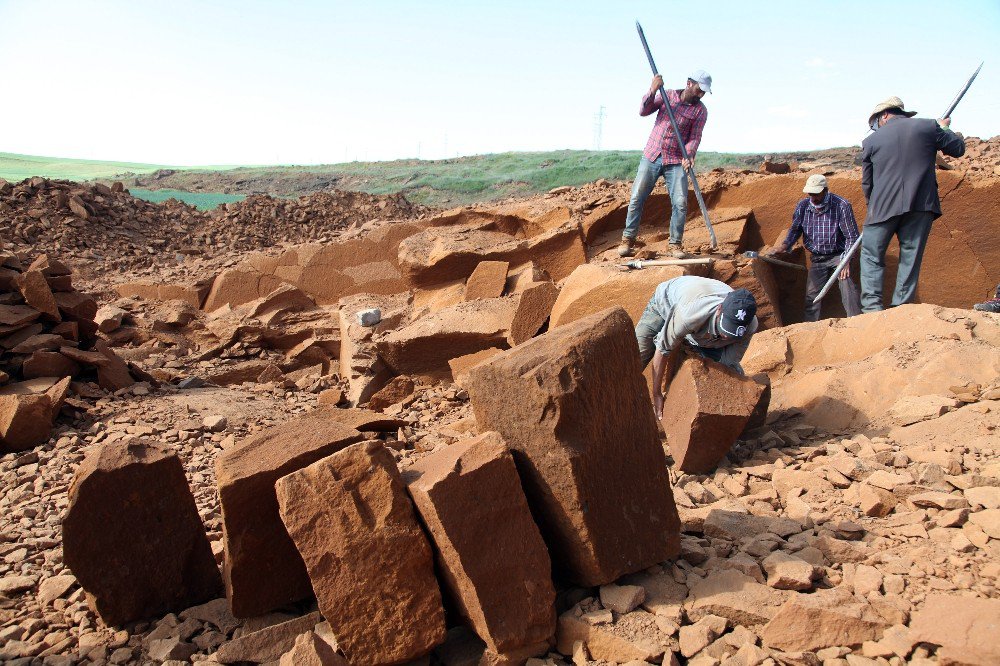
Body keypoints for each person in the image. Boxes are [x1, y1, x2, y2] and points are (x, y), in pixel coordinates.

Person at [859, 96, 966, 311]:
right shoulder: (928, 126)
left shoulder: (871, 141)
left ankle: (871, 310)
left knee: (871, 256)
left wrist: (873, 207)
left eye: (875, 122)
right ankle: (901, 307)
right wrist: (944, 129)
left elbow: (867, 182)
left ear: (885, 115)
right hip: (921, 205)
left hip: (881, 208)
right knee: (910, 257)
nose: (875, 127)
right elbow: (958, 148)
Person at [635, 276, 758, 419]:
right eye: (726, 328)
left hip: (701, 331)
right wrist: (656, 394)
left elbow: (728, 362)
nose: (726, 336)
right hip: (666, 302)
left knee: (732, 373)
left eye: (732, 333)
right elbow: (662, 350)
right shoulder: (690, 315)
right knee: (635, 360)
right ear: (719, 310)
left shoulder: (751, 325)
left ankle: (687, 344)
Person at [618, 71, 711, 259]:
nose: (700, 95)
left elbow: (695, 137)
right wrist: (652, 90)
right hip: (652, 154)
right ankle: (628, 240)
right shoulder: (667, 95)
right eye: (699, 90)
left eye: (704, 92)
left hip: (676, 160)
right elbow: (644, 111)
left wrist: (690, 154)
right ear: (688, 83)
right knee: (637, 197)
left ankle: (675, 244)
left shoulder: (700, 111)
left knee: (680, 202)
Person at [767, 174, 862, 321]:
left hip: (839, 255)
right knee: (812, 295)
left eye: (816, 194)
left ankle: (856, 322)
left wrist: (846, 261)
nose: (813, 198)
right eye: (810, 194)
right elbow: (795, 229)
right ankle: (810, 328)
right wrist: (785, 246)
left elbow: (852, 237)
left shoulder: (841, 205)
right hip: (818, 258)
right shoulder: (803, 206)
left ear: (825, 190)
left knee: (847, 285)